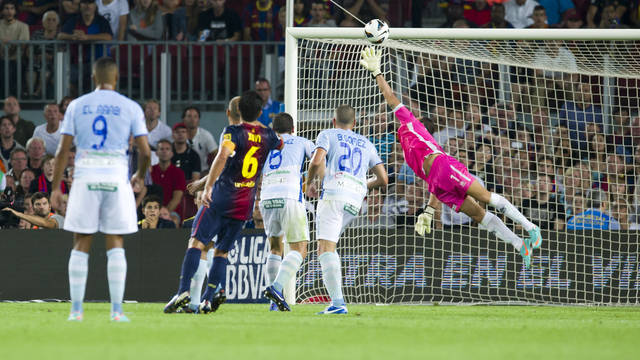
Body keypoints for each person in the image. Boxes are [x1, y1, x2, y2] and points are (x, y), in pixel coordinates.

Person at [359, 47, 541, 269]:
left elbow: (390, 97)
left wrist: (377, 72)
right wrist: (428, 210)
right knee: (479, 216)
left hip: (444, 168)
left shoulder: (411, 124)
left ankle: (531, 228)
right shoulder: (408, 154)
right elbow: (433, 182)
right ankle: (519, 244)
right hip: (438, 182)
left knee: (485, 196)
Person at [50, 57, 151, 322]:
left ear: (94, 77)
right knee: (115, 241)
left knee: (81, 241)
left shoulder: (77, 106)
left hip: (85, 175)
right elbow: (146, 152)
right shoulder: (130, 107)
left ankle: (76, 311)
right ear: (116, 78)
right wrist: (139, 175)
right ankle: (117, 311)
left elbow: (62, 151)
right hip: (116, 176)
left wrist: (55, 188)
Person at [163, 90, 282, 315]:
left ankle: (183, 291)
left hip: (221, 198)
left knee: (196, 243)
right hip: (244, 204)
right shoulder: (269, 136)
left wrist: (206, 186)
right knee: (222, 252)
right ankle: (208, 298)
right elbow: (281, 144)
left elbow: (222, 156)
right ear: (260, 111)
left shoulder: (233, 132)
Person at [304, 103, 388, 315]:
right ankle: (337, 300)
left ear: (334, 120)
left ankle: (338, 303)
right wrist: (361, 184)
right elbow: (383, 179)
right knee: (328, 247)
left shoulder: (328, 133)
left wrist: (308, 182)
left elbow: (316, 160)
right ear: (355, 123)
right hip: (355, 201)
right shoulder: (366, 142)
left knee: (325, 248)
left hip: (334, 194)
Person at [259, 112, 314, 312]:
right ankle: (275, 288)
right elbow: (318, 158)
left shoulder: (265, 145)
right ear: (293, 129)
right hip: (289, 195)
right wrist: (314, 179)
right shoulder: (301, 141)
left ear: (274, 131)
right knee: (299, 249)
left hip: (266, 196)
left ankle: (273, 303)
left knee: (275, 248)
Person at [0, 0, 29, 97]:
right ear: (2, 11)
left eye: (12, 9)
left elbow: (22, 46)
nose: (9, 11)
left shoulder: (23, 26)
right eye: (6, 8)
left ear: (15, 11)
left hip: (17, 59)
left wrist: (10, 43)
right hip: (1, 58)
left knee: (12, 67)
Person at [151, 139, 186, 216]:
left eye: (167, 149)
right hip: (152, 211)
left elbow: (177, 199)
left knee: (173, 221)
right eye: (161, 149)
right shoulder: (150, 171)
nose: (164, 151)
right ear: (156, 153)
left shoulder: (179, 173)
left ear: (172, 153)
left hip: (172, 212)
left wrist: (164, 213)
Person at [182, 106, 217, 175]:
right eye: (189, 116)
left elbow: (216, 155)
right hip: (181, 174)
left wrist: (210, 172)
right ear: (184, 119)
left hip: (202, 173)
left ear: (198, 119)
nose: (192, 119)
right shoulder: (177, 135)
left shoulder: (206, 135)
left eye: (195, 117)